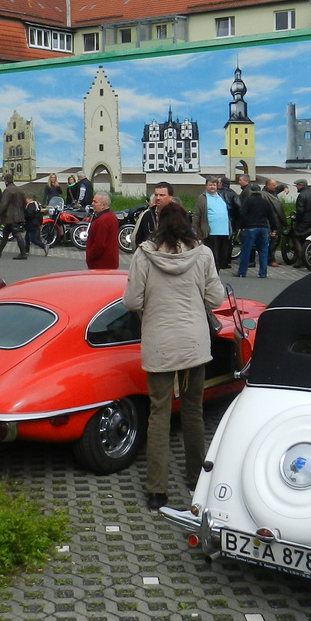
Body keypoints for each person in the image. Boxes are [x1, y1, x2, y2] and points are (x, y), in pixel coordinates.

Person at [122, 203, 225, 512]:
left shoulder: (144, 254)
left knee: (159, 414)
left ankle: (157, 491)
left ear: (159, 223)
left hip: (160, 344)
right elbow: (216, 298)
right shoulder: (203, 254)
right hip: (194, 343)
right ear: (187, 224)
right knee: (193, 411)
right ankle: (195, 478)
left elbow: (131, 300)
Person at [236, 181, 280, 277]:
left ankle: (242, 272)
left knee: (246, 251)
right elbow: (271, 217)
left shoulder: (247, 201)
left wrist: (241, 226)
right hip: (263, 228)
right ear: (260, 191)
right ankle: (262, 273)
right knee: (263, 252)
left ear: (251, 192)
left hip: (250, 228)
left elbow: (242, 215)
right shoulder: (265, 202)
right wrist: (274, 229)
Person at [192, 177, 233, 271]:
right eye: (210, 185)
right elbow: (197, 214)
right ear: (206, 186)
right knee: (213, 257)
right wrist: (194, 229)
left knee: (222, 257)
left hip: (224, 232)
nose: (212, 187)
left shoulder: (220, 196)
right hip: (210, 232)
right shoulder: (202, 198)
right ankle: (211, 277)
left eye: (214, 185)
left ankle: (216, 276)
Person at [0, 175, 28, 259]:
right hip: (18, 215)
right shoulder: (19, 190)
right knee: (6, 232)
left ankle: (23, 253)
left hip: (10, 216)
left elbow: (3, 204)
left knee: (17, 233)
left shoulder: (8, 190)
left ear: (6, 181)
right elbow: (24, 203)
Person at [85, 191, 120, 269]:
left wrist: (90, 256)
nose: (92, 204)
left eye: (95, 202)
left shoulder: (102, 221)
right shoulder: (112, 216)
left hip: (101, 264)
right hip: (110, 262)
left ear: (103, 205)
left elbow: (99, 245)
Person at [133, 182, 174, 247]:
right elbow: (139, 238)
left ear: (170, 198)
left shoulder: (178, 215)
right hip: (150, 254)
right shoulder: (148, 215)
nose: (158, 198)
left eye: (162, 195)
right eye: (156, 195)